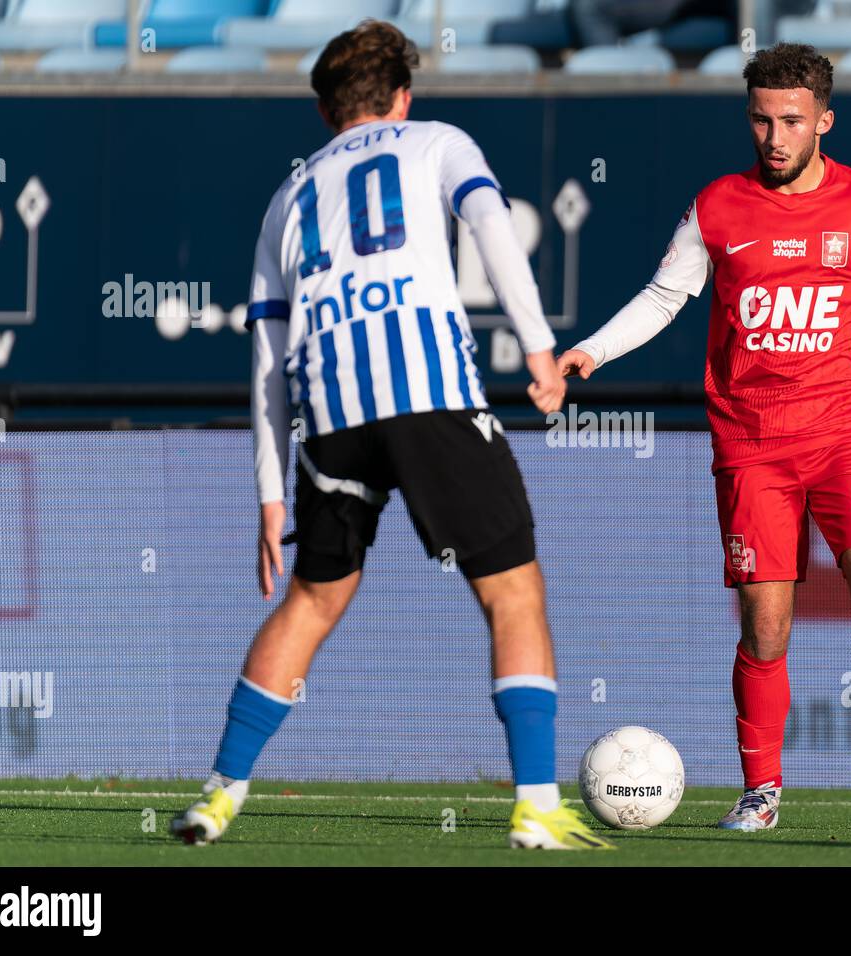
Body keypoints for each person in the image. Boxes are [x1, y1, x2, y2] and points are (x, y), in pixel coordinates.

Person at [172, 20, 613, 851]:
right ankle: (536, 806)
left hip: (329, 414)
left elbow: (266, 351)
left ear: (325, 109)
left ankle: (218, 796)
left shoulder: (287, 197)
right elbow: (493, 228)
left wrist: (270, 492)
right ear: (403, 97)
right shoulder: (438, 141)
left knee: (310, 600)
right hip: (428, 398)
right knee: (513, 592)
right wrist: (540, 349)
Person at [558, 43, 851, 832]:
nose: (774, 136)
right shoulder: (718, 205)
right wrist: (591, 350)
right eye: (760, 119)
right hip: (751, 445)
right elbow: (662, 295)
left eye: (791, 120)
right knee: (766, 625)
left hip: (841, 432)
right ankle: (763, 792)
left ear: (824, 119)